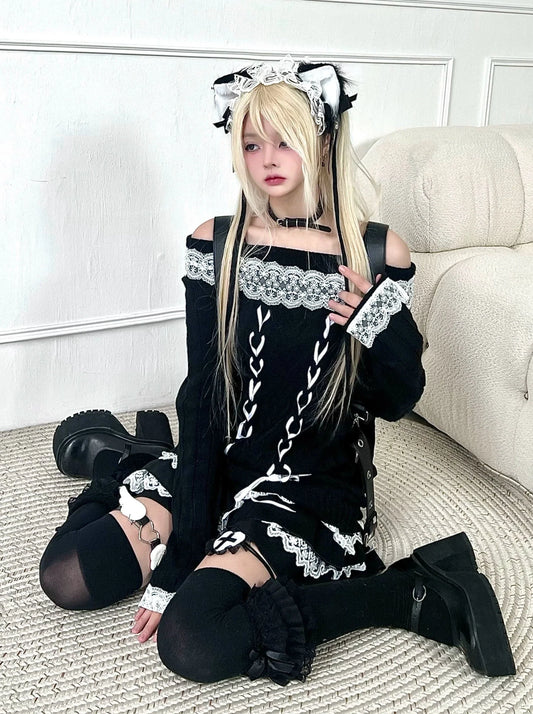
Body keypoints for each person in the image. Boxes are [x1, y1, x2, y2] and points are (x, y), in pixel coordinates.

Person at [40, 56, 516, 685]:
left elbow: (397, 401)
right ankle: (140, 459)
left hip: (310, 485)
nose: (267, 158)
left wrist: (379, 324)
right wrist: (181, 555)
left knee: (192, 639)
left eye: (284, 140)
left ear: (322, 141)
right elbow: (204, 396)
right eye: (251, 143)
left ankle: (408, 593)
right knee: (66, 573)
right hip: (223, 463)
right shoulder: (216, 243)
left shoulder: (375, 251)